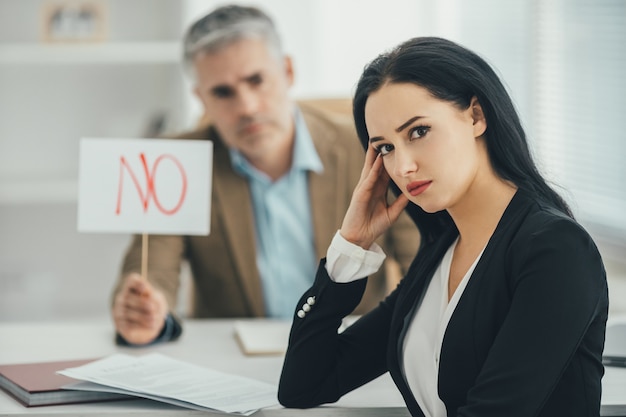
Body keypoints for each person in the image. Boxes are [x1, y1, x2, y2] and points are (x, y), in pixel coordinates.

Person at [278, 37, 608, 417]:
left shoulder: (556, 250)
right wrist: (351, 245)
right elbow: (304, 384)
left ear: (476, 116)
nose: (402, 168)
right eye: (385, 148)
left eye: (418, 132)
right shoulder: (440, 251)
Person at [110, 5, 420, 346]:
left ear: (287, 71)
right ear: (200, 98)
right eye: (222, 92)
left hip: (349, 351)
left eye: (256, 80)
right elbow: (152, 271)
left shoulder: (370, 147)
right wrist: (146, 310)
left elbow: (423, 264)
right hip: (231, 361)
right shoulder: (176, 163)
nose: (247, 107)